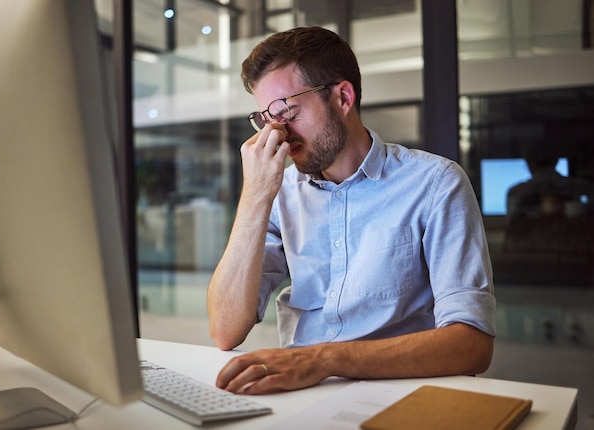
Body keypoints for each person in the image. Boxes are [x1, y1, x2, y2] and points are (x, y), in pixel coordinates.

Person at [207, 26, 495, 395]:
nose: (277, 133)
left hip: (400, 394)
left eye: (287, 112)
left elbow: (472, 344)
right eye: (266, 118)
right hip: (300, 393)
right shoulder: (280, 192)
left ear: (343, 98)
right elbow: (225, 329)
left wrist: (323, 360)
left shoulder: (435, 183)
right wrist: (254, 197)